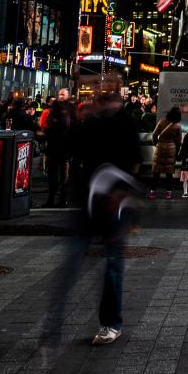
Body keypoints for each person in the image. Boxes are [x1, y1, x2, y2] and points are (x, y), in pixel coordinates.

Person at [43, 92, 142, 348]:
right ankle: (53, 325)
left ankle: (111, 323)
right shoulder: (90, 122)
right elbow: (71, 148)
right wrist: (74, 121)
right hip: (87, 202)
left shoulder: (127, 123)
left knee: (111, 266)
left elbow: (133, 161)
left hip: (114, 206)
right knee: (72, 263)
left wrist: (124, 199)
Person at [43, 88, 76, 208]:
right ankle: (52, 199)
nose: (61, 96)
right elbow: (49, 122)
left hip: (64, 146)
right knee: (53, 173)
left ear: (67, 96)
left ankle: (62, 199)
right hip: (55, 145)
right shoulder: (54, 107)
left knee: (63, 175)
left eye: (63, 94)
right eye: (60, 94)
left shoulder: (71, 108)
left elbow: (72, 125)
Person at [151, 107, 183, 200]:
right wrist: (176, 152)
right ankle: (168, 193)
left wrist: (156, 144)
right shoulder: (178, 126)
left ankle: (152, 192)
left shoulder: (161, 122)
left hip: (160, 147)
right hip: (171, 148)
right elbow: (178, 142)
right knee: (169, 172)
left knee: (156, 171)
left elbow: (154, 135)